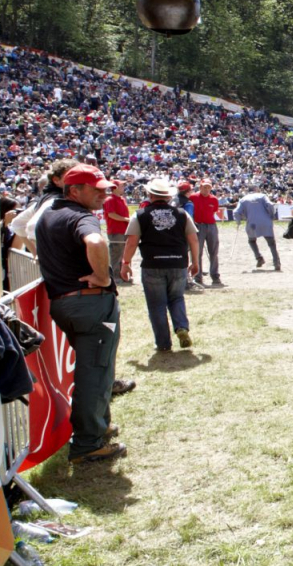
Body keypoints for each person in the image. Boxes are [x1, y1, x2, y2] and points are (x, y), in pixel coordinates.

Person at [33, 164, 127, 464]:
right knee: (95, 372)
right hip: (90, 303)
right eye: (96, 189)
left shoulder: (49, 214)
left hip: (65, 303)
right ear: (75, 191)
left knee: (93, 368)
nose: (104, 193)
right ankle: (88, 442)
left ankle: (98, 425)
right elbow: (96, 241)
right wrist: (102, 276)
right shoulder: (79, 216)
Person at [119, 178, 201, 352]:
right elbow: (193, 239)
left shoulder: (140, 214)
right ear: (168, 197)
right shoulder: (181, 214)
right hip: (178, 262)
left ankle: (163, 343)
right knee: (177, 298)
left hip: (152, 264)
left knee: (156, 305)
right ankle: (181, 326)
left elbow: (131, 242)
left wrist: (125, 263)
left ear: (150, 195)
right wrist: (195, 261)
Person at [9, 158, 78, 254]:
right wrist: (40, 254)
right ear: (56, 180)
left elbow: (18, 224)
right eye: (70, 176)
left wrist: (35, 253)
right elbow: (30, 227)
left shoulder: (48, 197)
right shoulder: (55, 200)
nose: (75, 179)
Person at [233, 186, 281, 270]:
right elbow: (270, 205)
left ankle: (259, 258)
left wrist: (238, 222)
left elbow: (236, 212)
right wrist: (271, 215)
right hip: (265, 222)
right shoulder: (262, 196)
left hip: (252, 223)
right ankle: (276, 263)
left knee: (251, 241)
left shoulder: (243, 199)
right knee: (271, 243)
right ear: (256, 190)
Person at [192, 179, 222, 285]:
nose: (207, 189)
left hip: (211, 225)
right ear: (200, 187)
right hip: (198, 225)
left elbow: (214, 211)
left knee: (214, 251)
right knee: (197, 252)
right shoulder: (193, 198)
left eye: (209, 187)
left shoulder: (214, 199)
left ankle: (215, 275)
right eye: (204, 187)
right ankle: (197, 277)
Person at [104, 178, 132, 284]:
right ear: (114, 188)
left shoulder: (121, 199)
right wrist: (126, 219)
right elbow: (111, 214)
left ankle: (123, 275)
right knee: (116, 254)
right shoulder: (110, 199)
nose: (124, 187)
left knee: (124, 254)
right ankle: (115, 276)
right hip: (116, 231)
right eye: (121, 186)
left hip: (124, 230)